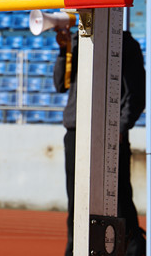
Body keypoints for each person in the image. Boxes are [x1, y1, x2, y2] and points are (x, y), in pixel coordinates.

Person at [54, 28, 146, 256]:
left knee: (119, 201)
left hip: (109, 133)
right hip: (76, 132)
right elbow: (60, 84)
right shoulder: (75, 41)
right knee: (76, 203)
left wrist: (120, 128)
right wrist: (63, 50)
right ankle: (75, 249)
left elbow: (136, 94)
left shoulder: (124, 43)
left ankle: (132, 250)